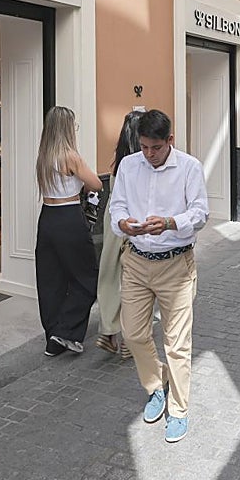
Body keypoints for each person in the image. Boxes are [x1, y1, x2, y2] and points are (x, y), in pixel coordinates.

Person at [108, 109, 208, 444]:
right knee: (133, 332)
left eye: (156, 148)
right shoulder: (128, 165)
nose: (149, 154)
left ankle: (179, 410)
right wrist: (123, 223)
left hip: (175, 265)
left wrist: (168, 222)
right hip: (136, 261)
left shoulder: (189, 168)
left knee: (177, 343)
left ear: (170, 141)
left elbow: (200, 213)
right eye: (144, 147)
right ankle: (156, 386)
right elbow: (116, 206)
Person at [34, 106, 102, 357]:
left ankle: (53, 338)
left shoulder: (43, 156)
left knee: (51, 280)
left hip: (47, 219)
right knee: (87, 277)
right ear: (66, 128)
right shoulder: (70, 156)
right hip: (69, 218)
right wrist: (83, 186)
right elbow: (95, 183)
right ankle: (66, 331)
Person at [94, 111, 142, 358]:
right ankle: (127, 338)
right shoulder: (143, 164)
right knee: (134, 280)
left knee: (110, 272)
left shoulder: (119, 161)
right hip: (135, 222)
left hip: (113, 219)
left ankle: (108, 329)